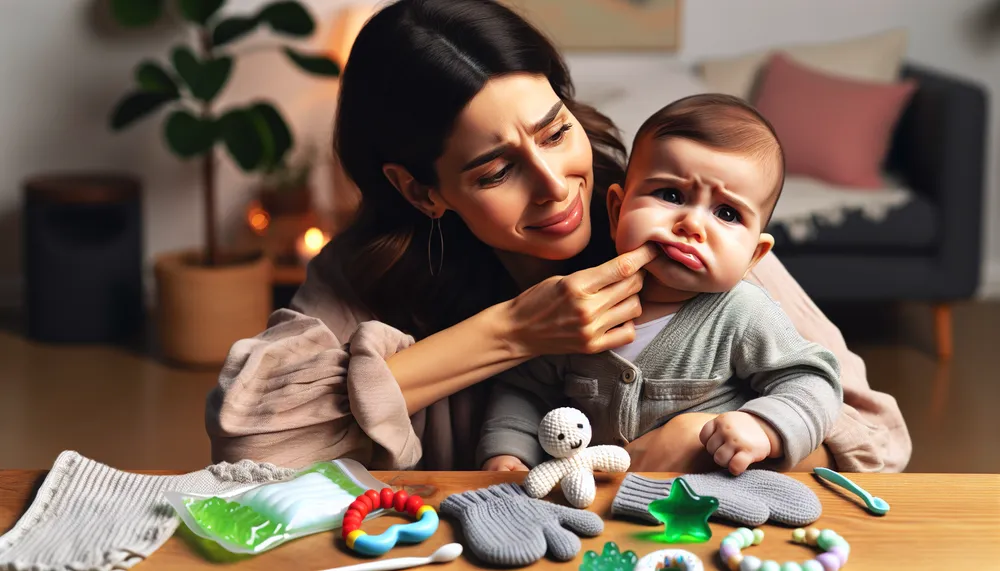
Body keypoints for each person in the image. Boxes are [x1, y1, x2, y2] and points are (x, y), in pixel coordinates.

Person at [205, 0, 910, 473]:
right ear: (421, 189)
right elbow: (250, 440)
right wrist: (512, 332)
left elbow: (875, 438)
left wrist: (707, 439)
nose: (554, 184)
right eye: (496, 169)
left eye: (555, 130)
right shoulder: (369, 272)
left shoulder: (676, 222)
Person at [477, 94, 843, 477]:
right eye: (671, 195)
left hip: (707, 502)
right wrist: (509, 454)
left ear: (754, 255)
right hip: (593, 503)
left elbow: (812, 381)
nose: (692, 225)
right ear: (618, 211)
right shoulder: (580, 303)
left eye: (727, 213)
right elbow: (525, 391)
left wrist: (765, 427)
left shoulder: (742, 313)